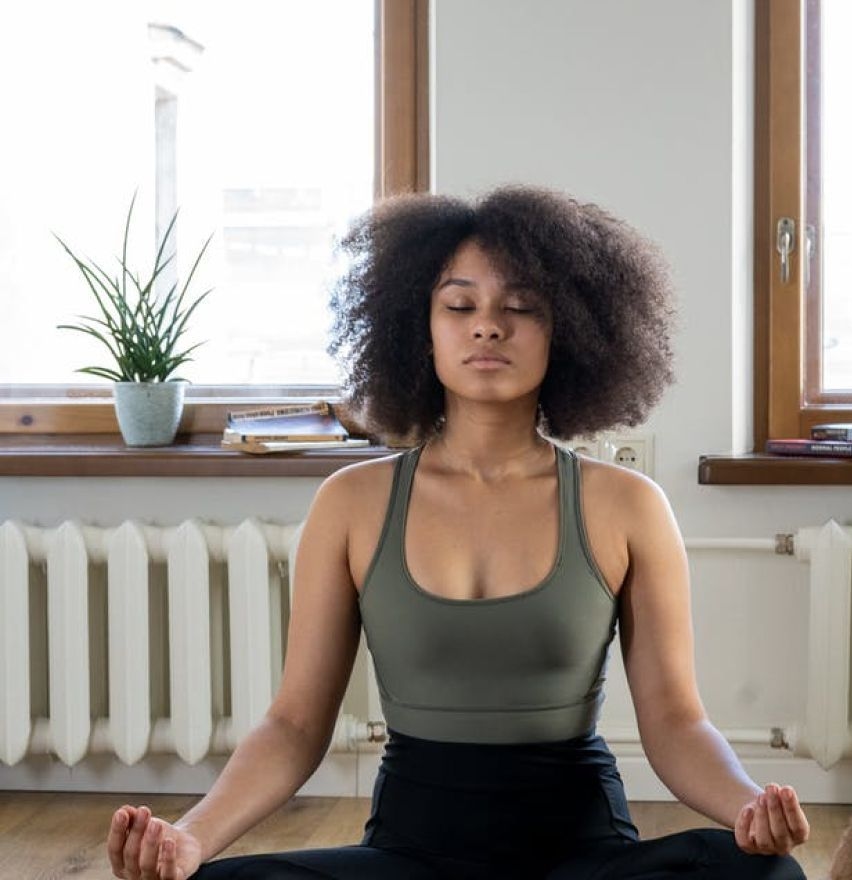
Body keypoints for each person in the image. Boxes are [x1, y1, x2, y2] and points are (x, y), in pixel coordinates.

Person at [106, 186, 810, 879]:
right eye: (460, 304)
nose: (488, 326)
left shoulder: (626, 505)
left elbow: (677, 725)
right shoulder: (351, 502)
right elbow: (293, 726)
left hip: (582, 858)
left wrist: (750, 806)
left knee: (763, 875)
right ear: (421, 327)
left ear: (570, 330)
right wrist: (191, 838)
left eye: (521, 307)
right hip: (410, 856)